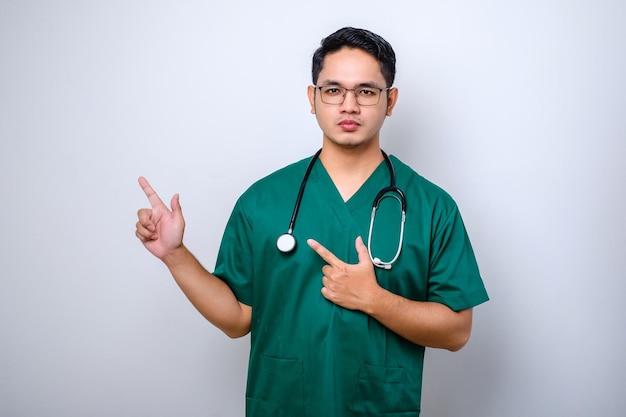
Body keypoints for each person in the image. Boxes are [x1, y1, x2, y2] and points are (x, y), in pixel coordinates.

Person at [135, 26, 488, 417]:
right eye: (333, 90)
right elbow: (237, 318)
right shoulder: (263, 201)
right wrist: (174, 255)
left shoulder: (432, 207)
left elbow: (457, 331)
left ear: (390, 101)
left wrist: (374, 300)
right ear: (312, 98)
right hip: (284, 405)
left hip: (377, 408)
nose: (348, 105)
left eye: (366, 91)